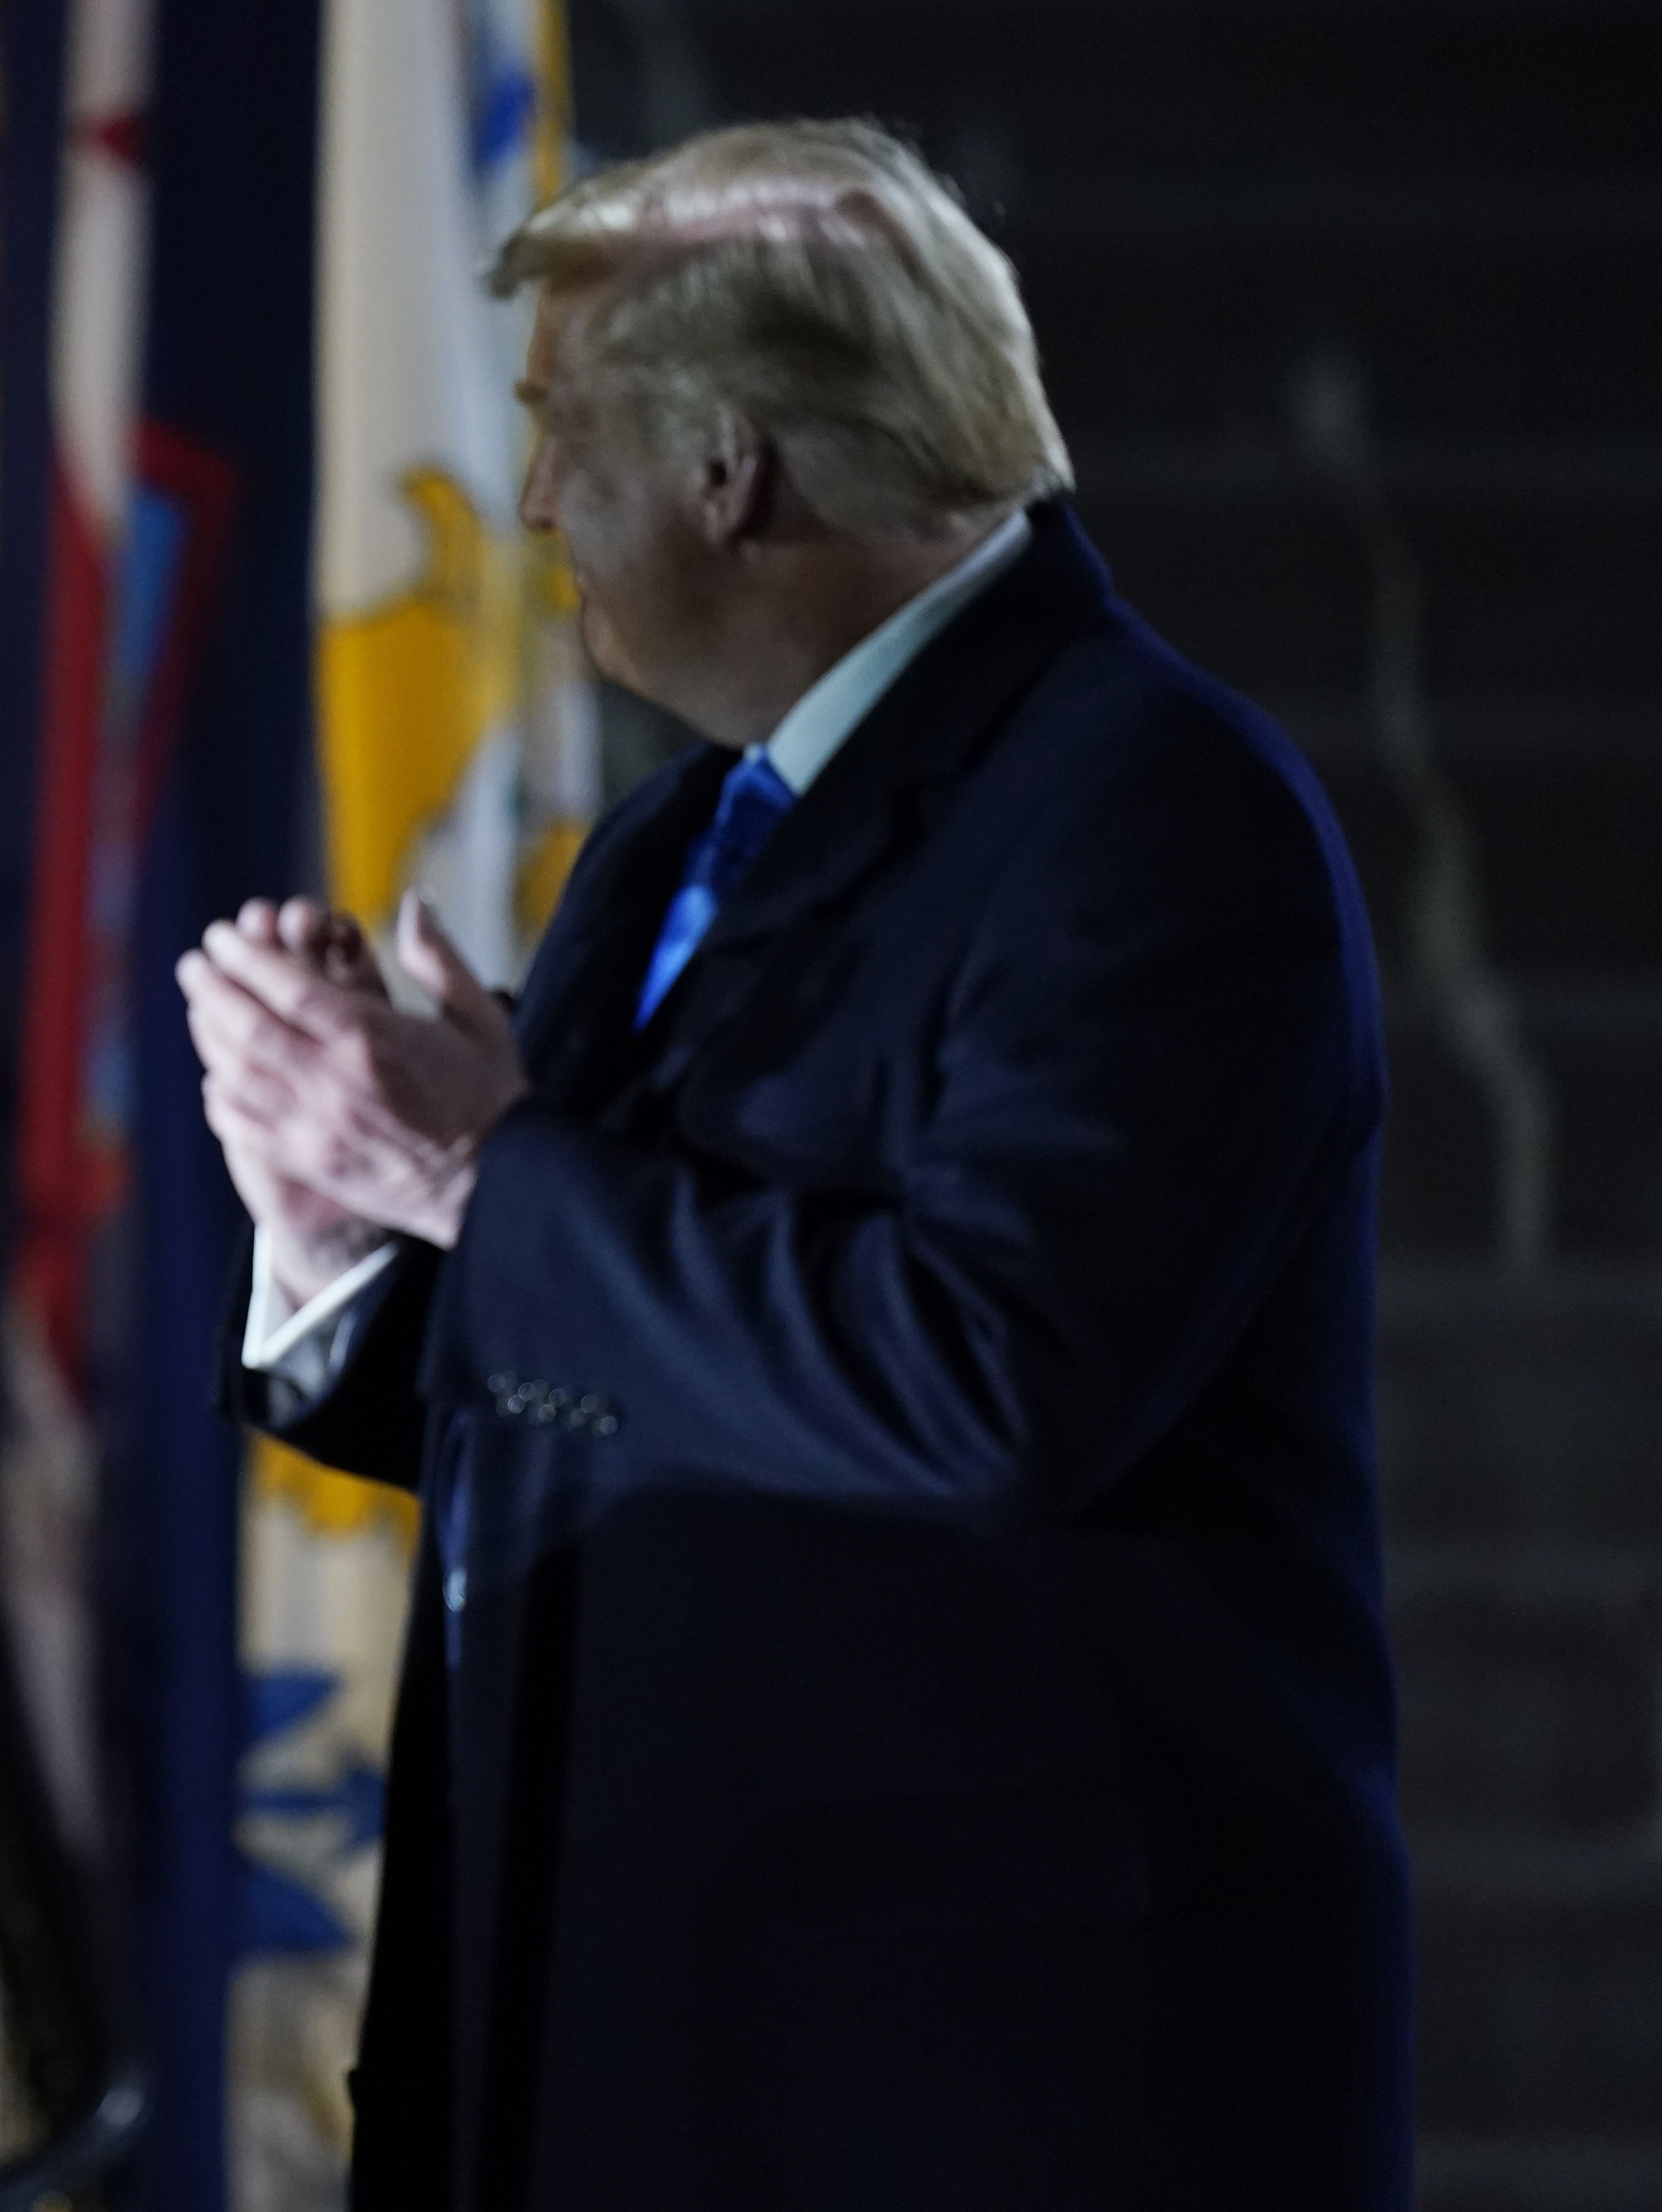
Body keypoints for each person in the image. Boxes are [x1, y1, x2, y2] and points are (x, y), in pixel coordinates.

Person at [178, 122, 1408, 2209]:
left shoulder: (1156, 813)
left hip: (959, 2108)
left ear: (731, 465)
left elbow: (989, 1384)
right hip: (611, 2046)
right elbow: (602, 1390)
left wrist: (484, 1180)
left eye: (563, 430)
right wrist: (339, 1235)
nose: (538, 495)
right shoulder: (676, 839)